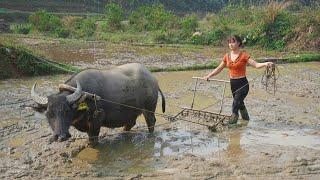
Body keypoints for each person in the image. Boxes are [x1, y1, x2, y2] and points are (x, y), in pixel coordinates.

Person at [203, 35, 273, 125]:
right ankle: (246, 119)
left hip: (243, 84)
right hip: (233, 84)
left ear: (238, 43)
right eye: (229, 42)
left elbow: (256, 65)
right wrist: (209, 75)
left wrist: (266, 64)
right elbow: (219, 68)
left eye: (233, 42)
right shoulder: (227, 56)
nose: (230, 44)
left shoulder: (244, 55)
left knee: (235, 104)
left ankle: (232, 126)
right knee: (240, 103)